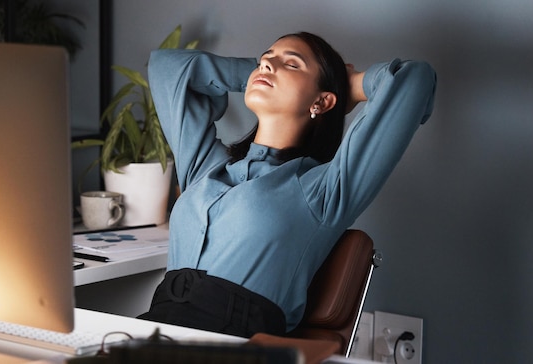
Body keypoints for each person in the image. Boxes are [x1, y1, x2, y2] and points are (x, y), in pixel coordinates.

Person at [138, 32, 436, 338]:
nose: (268, 62)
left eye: (292, 63)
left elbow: (415, 79)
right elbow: (166, 67)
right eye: (267, 56)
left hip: (234, 344)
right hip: (153, 329)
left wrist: (349, 86)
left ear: (321, 102)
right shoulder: (207, 169)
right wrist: (259, 74)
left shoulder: (322, 189)